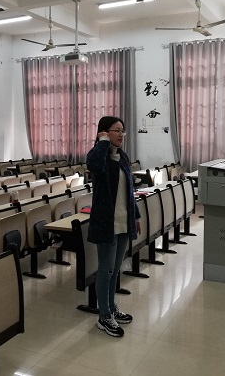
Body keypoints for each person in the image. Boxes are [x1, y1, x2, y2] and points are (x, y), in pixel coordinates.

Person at [86, 116, 140, 338]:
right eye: (116, 131)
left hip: (123, 221)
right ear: (104, 133)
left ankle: (110, 306)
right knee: (105, 269)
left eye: (122, 131)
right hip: (106, 223)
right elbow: (95, 167)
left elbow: (129, 191)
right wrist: (102, 143)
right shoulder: (97, 155)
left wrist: (135, 215)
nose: (121, 135)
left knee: (115, 270)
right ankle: (104, 316)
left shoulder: (123, 157)